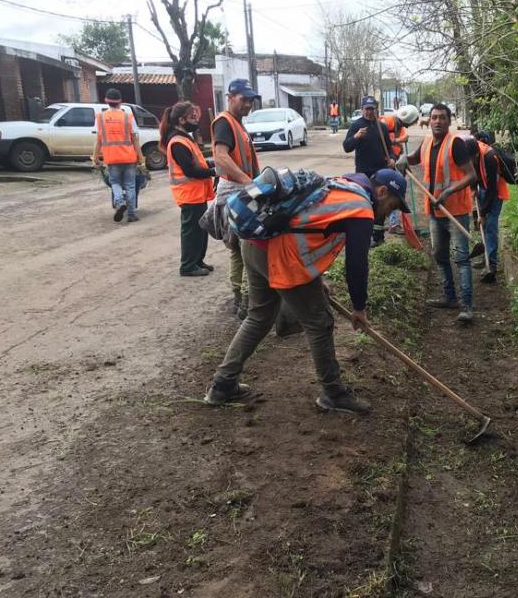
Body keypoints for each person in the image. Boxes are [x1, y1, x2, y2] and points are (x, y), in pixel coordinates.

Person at [203, 168, 412, 413]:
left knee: (259, 316)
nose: (388, 215)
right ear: (382, 191)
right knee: (319, 322)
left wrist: (315, 277)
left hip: (254, 244)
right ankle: (333, 393)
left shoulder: (341, 184)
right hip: (281, 254)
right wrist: (359, 308)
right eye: (391, 206)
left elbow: (308, 224)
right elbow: (356, 265)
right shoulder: (361, 209)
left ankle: (222, 385)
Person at [398, 103, 478, 323]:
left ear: (449, 121)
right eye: (434, 117)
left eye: (442, 118)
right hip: (434, 213)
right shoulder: (426, 142)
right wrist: (405, 160)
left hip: (456, 212)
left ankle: (467, 306)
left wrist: (449, 191)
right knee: (440, 256)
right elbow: (415, 158)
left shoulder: (456, 144)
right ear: (429, 119)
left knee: (461, 258)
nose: (437, 121)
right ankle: (449, 297)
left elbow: (472, 176)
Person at [213, 79, 260, 319]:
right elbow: (220, 157)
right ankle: (243, 301)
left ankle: (242, 299)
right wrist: (246, 181)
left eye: (251, 100)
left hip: (240, 189)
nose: (248, 104)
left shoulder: (238, 125)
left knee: (242, 248)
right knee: (244, 247)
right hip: (234, 191)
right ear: (230, 97)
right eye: (244, 99)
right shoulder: (224, 123)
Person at [161, 101, 217, 277]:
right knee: (191, 231)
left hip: (197, 193)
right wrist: (214, 171)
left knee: (200, 229)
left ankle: (197, 260)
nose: (196, 120)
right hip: (189, 194)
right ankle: (187, 265)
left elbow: (197, 163)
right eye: (193, 117)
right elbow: (190, 170)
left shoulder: (185, 138)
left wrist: (211, 164)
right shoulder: (177, 142)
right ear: (181, 119)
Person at [343, 96, 396, 247]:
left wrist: (392, 158)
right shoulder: (356, 126)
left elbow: (389, 148)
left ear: (375, 110)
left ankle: (379, 237)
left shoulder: (381, 127)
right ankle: (365, 237)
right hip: (363, 174)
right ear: (362, 110)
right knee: (365, 205)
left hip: (380, 173)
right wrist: (356, 136)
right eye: (367, 109)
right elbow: (346, 147)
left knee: (380, 204)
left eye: (372, 109)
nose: (369, 112)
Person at [92, 88, 145, 223]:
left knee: (114, 182)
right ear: (120, 101)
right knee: (130, 185)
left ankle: (120, 202)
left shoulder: (100, 117)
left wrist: (95, 157)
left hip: (111, 158)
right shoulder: (128, 116)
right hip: (129, 157)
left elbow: (99, 140)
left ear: (106, 101)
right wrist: (141, 158)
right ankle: (131, 214)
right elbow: (135, 139)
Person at [464, 132, 509, 281]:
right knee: (484, 227)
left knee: (490, 226)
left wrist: (482, 214)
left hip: (495, 193)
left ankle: (492, 265)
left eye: (471, 159)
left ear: (476, 154)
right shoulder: (471, 153)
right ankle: (486, 259)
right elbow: (473, 172)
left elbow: (492, 189)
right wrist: (472, 189)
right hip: (483, 189)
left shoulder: (490, 158)